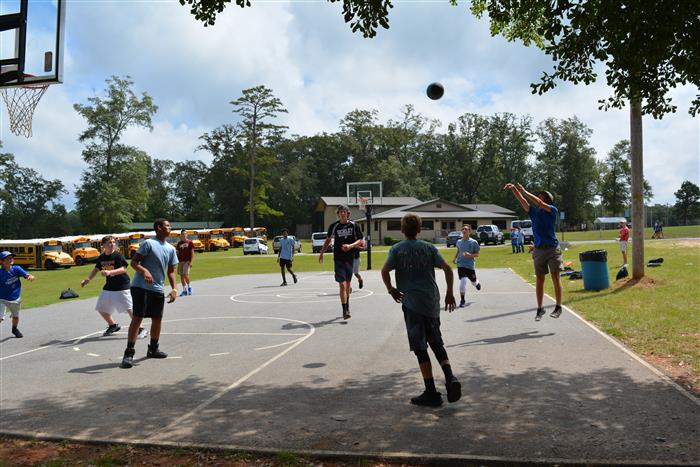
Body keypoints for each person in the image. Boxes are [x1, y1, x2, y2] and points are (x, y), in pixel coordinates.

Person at [381, 213, 461, 407]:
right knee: (436, 342)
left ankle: (431, 391)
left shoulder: (397, 249)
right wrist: (450, 293)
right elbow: (448, 269)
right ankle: (450, 377)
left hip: (412, 305)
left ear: (402, 230)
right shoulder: (428, 248)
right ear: (419, 229)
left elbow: (384, 271)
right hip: (431, 302)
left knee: (420, 348)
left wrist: (391, 289)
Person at [120, 218, 179, 369]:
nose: (170, 228)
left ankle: (153, 349)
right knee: (137, 318)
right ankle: (129, 354)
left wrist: (174, 289)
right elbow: (134, 263)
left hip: (158, 289)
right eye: (167, 226)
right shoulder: (148, 244)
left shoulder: (171, 249)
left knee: (157, 319)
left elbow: (171, 271)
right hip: (141, 287)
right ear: (159, 227)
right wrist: (144, 271)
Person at [505, 183, 563, 321]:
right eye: (539, 196)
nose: (539, 197)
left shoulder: (552, 210)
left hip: (552, 249)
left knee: (555, 277)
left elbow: (539, 202)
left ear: (547, 199)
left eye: (542, 196)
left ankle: (558, 307)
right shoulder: (534, 212)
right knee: (540, 279)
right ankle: (540, 308)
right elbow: (523, 201)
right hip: (539, 250)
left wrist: (525, 191)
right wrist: (514, 190)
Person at [80, 235, 147, 338]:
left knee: (129, 309)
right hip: (109, 286)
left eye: (113, 242)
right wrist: (88, 279)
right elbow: (96, 269)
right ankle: (113, 325)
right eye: (109, 243)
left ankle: (141, 329)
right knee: (101, 308)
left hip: (122, 285)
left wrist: (110, 272)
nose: (112, 244)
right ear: (103, 245)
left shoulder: (117, 256)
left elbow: (123, 269)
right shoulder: (102, 257)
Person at [319, 205, 364, 320]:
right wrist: (322, 253)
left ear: (348, 213)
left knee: (348, 285)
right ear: (338, 214)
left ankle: (347, 306)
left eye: (344, 212)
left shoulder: (354, 225)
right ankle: (344, 310)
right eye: (340, 212)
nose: (342, 213)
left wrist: (350, 246)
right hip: (338, 259)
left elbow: (360, 240)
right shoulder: (334, 226)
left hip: (350, 258)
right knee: (342, 285)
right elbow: (328, 240)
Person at [0, 251, 34, 338]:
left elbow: (26, 275)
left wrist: (30, 277)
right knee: (0, 317)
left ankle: (14, 329)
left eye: (11, 258)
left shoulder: (17, 269)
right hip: (2, 298)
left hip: (15, 298)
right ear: (2, 261)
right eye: (8, 258)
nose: (11, 259)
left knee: (15, 316)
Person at [453, 224, 481, 308]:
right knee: (463, 281)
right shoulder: (459, 242)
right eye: (463, 229)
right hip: (460, 265)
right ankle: (462, 300)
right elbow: (458, 250)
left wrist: (470, 255)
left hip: (470, 266)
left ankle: (476, 283)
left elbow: (477, 254)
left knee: (473, 282)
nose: (464, 230)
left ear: (469, 231)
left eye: (466, 229)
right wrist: (455, 258)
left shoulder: (473, 242)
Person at [176, 229, 195, 296]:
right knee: (181, 276)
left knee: (185, 274)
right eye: (183, 234)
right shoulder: (179, 243)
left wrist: (191, 261)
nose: (184, 235)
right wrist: (176, 261)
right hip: (180, 261)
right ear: (181, 235)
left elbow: (192, 252)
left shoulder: (190, 242)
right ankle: (184, 290)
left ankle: (189, 287)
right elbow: (177, 253)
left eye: (185, 234)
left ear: (187, 235)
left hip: (187, 261)